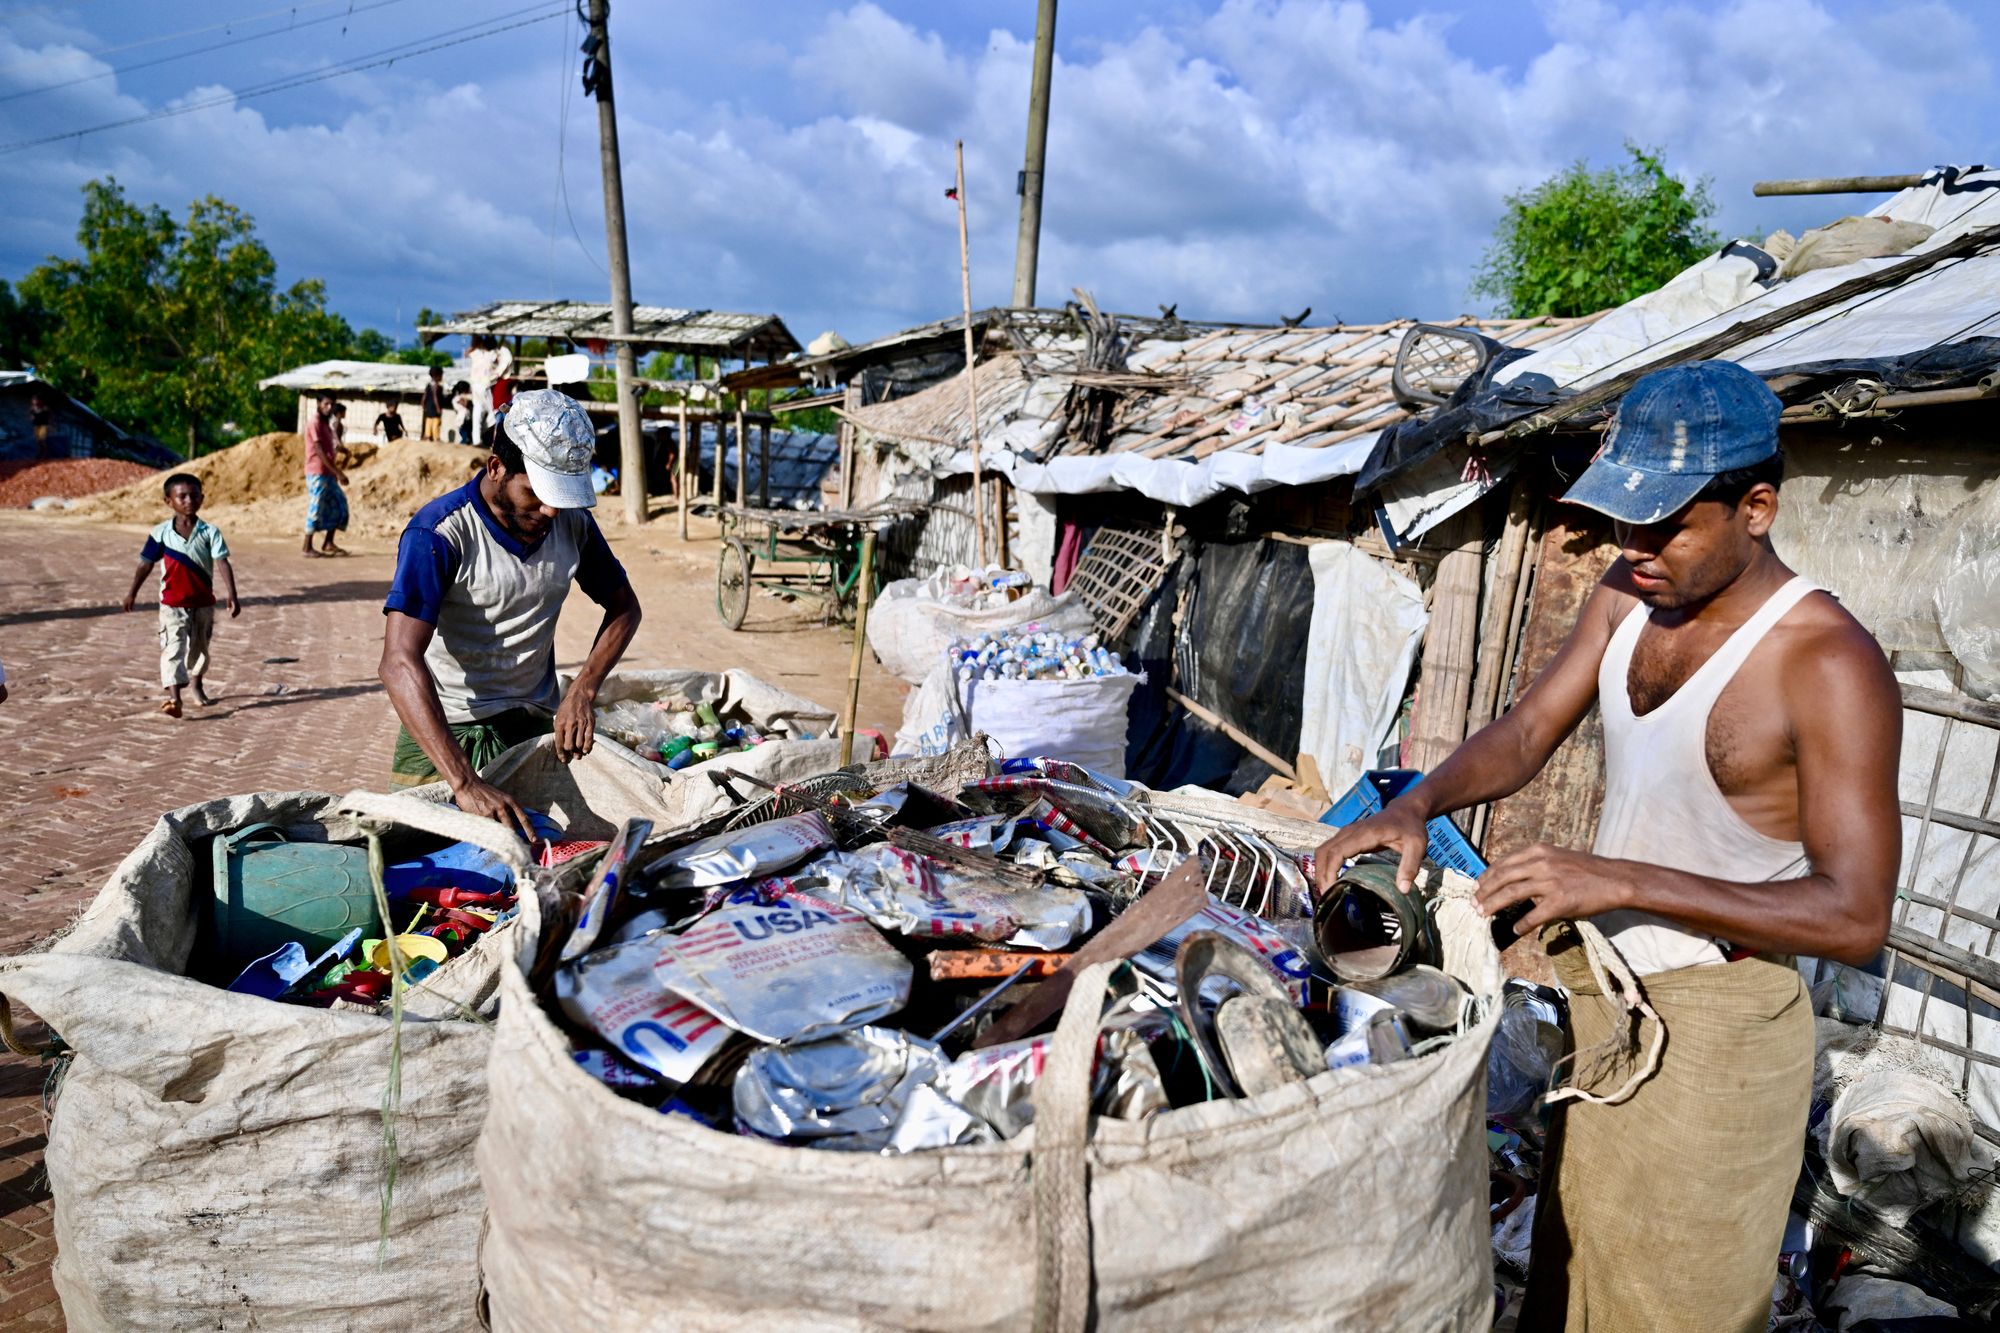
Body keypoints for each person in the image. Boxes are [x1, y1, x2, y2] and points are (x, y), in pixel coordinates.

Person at [1312, 360, 1901, 1331]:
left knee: (1676, 1303)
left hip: (1719, 1025)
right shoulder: (1627, 591)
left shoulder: (1824, 661)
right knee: (1576, 1277)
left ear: (1754, 507)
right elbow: (1525, 729)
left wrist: (1616, 876)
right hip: (1605, 1004)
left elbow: (1850, 913)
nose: (1636, 545)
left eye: (1664, 522)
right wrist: (1414, 802)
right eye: (1624, 519)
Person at [379, 389, 641, 836]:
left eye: (561, 495)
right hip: (448, 734)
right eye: (537, 492)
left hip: (532, 728)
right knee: (422, 869)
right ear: (496, 468)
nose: (551, 509)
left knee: (544, 863)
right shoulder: (439, 533)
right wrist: (463, 781)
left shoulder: (571, 524)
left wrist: (581, 691)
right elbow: (398, 662)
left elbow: (624, 608)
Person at [123, 472, 241, 718]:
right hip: (172, 605)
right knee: (173, 647)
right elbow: (145, 564)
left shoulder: (210, 532)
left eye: (194, 495)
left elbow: (222, 561)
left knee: (200, 648)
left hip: (203, 604)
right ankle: (174, 698)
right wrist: (132, 592)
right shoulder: (161, 533)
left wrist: (232, 593)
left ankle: (197, 684)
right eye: (182, 496)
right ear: (169, 501)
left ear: (202, 498)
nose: (189, 500)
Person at [302, 395, 350, 557]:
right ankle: (306, 546)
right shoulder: (314, 422)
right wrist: (338, 472)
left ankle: (328, 542)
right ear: (318, 404)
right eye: (326, 404)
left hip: (328, 473)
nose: (329, 407)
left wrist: (334, 472)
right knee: (316, 507)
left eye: (331, 404)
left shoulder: (326, 425)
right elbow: (319, 450)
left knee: (339, 505)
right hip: (317, 472)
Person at [465, 336, 514, 446]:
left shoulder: (476, 353)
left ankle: (476, 439)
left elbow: (467, 353)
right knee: (494, 411)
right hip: (484, 385)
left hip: (474, 385)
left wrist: (475, 345)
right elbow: (505, 360)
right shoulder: (492, 354)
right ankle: (483, 431)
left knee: (477, 412)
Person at [420, 364, 448, 441]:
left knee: (428, 421)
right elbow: (435, 397)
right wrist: (438, 408)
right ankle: (436, 437)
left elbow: (424, 396)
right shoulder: (437, 387)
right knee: (436, 422)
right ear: (437, 376)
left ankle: (427, 435)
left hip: (428, 407)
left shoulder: (428, 385)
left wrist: (423, 404)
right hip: (435, 408)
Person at [29, 392, 52, 458]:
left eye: (36, 400)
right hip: (36, 426)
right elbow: (31, 416)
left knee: (42, 439)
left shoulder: (45, 408)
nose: (35, 401)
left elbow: (49, 417)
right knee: (38, 440)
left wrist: (49, 425)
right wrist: (32, 418)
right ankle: (40, 453)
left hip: (43, 425)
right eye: (33, 400)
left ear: (40, 400)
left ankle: (45, 454)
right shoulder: (32, 408)